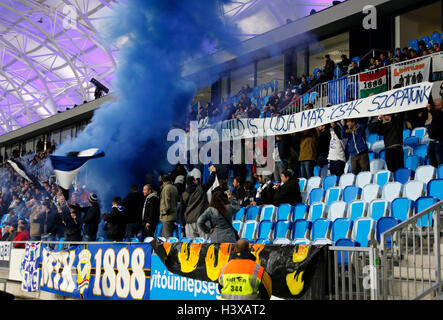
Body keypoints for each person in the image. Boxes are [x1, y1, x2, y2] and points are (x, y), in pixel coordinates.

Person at [181, 165, 217, 239]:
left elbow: (182, 209)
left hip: (189, 223)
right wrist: (213, 172)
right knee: (205, 245)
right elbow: (210, 181)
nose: (197, 180)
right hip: (201, 220)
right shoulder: (200, 189)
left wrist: (183, 224)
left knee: (192, 247)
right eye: (196, 180)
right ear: (194, 181)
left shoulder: (183, 194)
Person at [159, 173, 178, 238]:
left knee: (166, 236)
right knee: (168, 236)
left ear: (162, 180)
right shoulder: (174, 187)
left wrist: (163, 212)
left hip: (167, 216)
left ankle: (169, 248)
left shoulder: (166, 188)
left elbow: (167, 202)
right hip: (173, 215)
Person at [427, 98, 443, 168]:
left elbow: (437, 115)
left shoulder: (440, 113)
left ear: (440, 105)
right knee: (432, 165)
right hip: (432, 142)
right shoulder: (435, 113)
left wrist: (430, 109)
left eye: (435, 105)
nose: (434, 107)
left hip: (439, 143)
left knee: (440, 164)